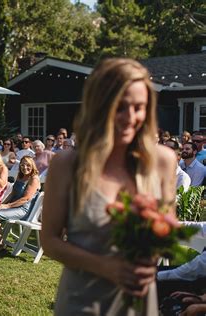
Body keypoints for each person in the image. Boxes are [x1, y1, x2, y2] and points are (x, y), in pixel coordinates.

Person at [40, 58, 177, 315]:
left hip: (138, 300)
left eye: (139, 107)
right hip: (82, 301)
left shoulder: (162, 161)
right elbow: (49, 241)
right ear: (99, 106)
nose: (130, 117)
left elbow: (167, 230)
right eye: (120, 107)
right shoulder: (67, 164)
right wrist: (106, 267)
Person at [0, 155, 40, 252]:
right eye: (22, 165)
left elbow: (26, 199)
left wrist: (7, 206)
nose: (25, 167)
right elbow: (13, 193)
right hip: (13, 206)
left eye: (28, 165)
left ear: (32, 166)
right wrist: (1, 203)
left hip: (23, 210)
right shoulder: (20, 176)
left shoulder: (34, 179)